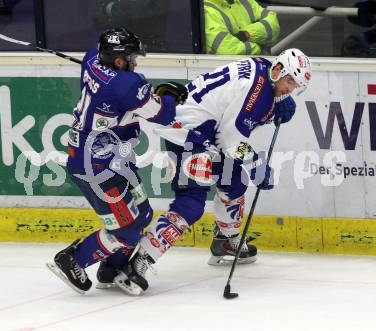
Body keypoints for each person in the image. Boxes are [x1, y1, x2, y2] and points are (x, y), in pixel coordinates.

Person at [114, 48, 312, 296]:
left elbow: (232, 116)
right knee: (191, 204)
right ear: (278, 70)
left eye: (296, 86)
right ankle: (137, 264)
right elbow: (230, 140)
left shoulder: (263, 69)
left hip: (204, 132)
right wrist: (256, 164)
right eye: (290, 81)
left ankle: (226, 240)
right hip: (188, 134)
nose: (290, 89)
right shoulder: (259, 92)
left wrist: (276, 104)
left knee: (235, 181)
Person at [46, 27, 188, 293]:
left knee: (143, 213)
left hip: (114, 161)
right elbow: (163, 114)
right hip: (97, 169)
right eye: (132, 58)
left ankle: (112, 268)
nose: (135, 63)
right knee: (127, 231)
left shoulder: (92, 59)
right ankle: (72, 259)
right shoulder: (127, 84)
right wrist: (169, 96)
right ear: (119, 60)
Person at [204, 0, 280, 55]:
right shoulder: (206, 9)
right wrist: (260, 48)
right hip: (235, 74)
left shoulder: (246, 2)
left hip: (263, 70)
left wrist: (247, 34)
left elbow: (273, 25)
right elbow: (227, 50)